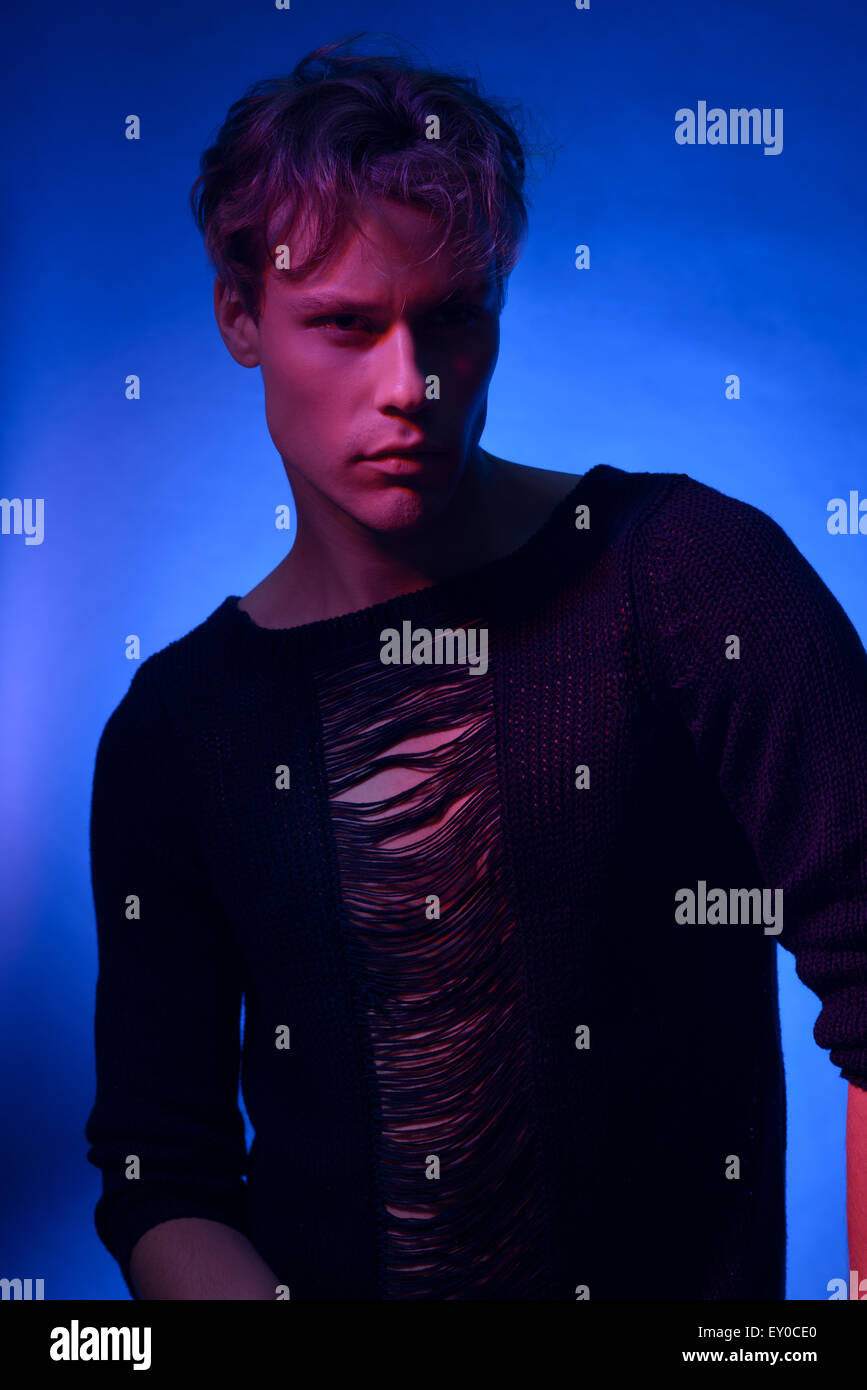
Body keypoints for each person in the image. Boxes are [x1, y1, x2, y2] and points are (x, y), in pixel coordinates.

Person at [85, 34, 867, 1300]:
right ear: (241, 316)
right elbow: (158, 1169)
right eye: (344, 324)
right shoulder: (177, 729)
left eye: (450, 318)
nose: (411, 385)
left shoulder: (691, 577)